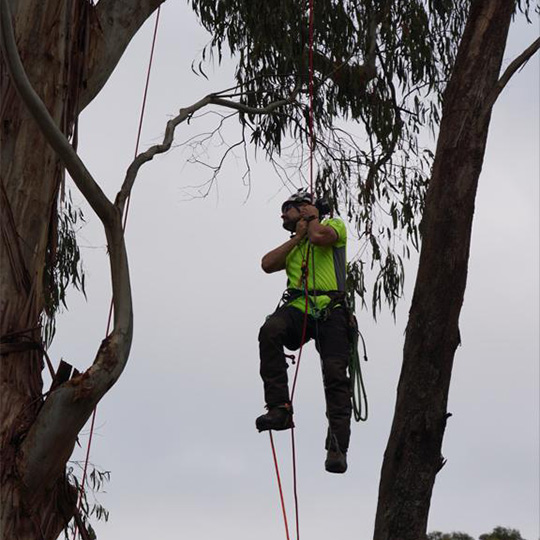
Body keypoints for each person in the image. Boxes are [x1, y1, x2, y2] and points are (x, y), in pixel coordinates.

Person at [256, 189, 352, 474]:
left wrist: (312, 222)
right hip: (301, 306)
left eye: (289, 208)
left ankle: (337, 447)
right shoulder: (296, 244)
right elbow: (267, 264)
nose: (283, 214)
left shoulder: (333, 226)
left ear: (307, 208)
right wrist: (297, 238)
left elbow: (322, 237)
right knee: (270, 330)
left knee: (335, 374)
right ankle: (279, 408)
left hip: (332, 308)